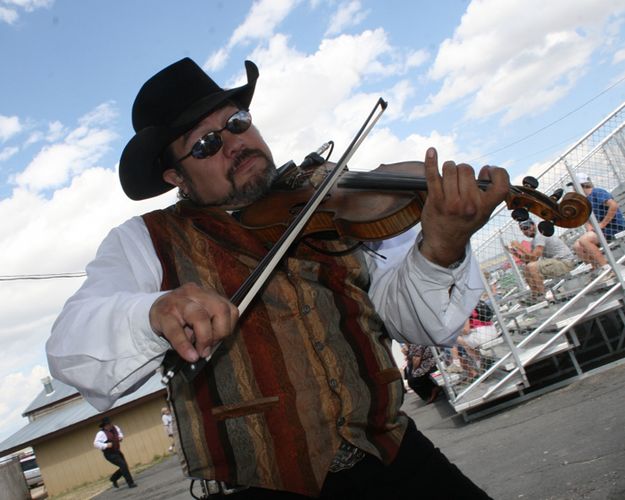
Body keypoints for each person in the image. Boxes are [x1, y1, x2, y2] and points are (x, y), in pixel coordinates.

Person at [46, 58, 510, 499]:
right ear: (177, 178)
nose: (233, 143)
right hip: (264, 489)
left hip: (393, 457)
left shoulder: (330, 200)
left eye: (237, 122)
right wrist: (152, 312)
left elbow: (421, 324)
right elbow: (71, 350)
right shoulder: (144, 241)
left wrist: (443, 245)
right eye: (205, 144)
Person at [508, 218, 576, 304]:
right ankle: (535, 295)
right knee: (526, 268)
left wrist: (520, 247)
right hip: (556, 263)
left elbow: (534, 257)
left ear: (533, 225)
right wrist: (515, 253)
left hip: (565, 262)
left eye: (526, 227)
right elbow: (529, 260)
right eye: (523, 229)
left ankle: (541, 295)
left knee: (531, 267)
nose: (525, 231)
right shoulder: (534, 241)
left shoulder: (540, 236)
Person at [570, 172, 625, 270]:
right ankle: (597, 269)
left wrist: (603, 224)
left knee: (584, 240)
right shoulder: (584, 201)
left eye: (574, 186)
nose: (573, 189)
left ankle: (607, 269)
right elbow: (586, 220)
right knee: (576, 246)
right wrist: (589, 227)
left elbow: (613, 205)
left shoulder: (597, 192)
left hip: (614, 227)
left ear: (580, 185)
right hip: (602, 231)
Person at [448, 303, 498, 379]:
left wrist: (456, 331)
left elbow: (466, 330)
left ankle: (461, 363)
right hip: (492, 331)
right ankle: (481, 363)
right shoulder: (476, 303)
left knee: (451, 337)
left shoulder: (463, 309)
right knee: (465, 343)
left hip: (481, 336)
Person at [93, 416, 137, 489]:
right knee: (123, 465)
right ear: (105, 426)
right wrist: (106, 445)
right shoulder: (101, 433)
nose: (110, 425)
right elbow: (95, 443)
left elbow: (120, 434)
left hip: (117, 451)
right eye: (108, 424)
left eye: (110, 423)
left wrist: (120, 437)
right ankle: (130, 483)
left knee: (124, 466)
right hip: (109, 454)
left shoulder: (115, 428)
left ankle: (114, 478)